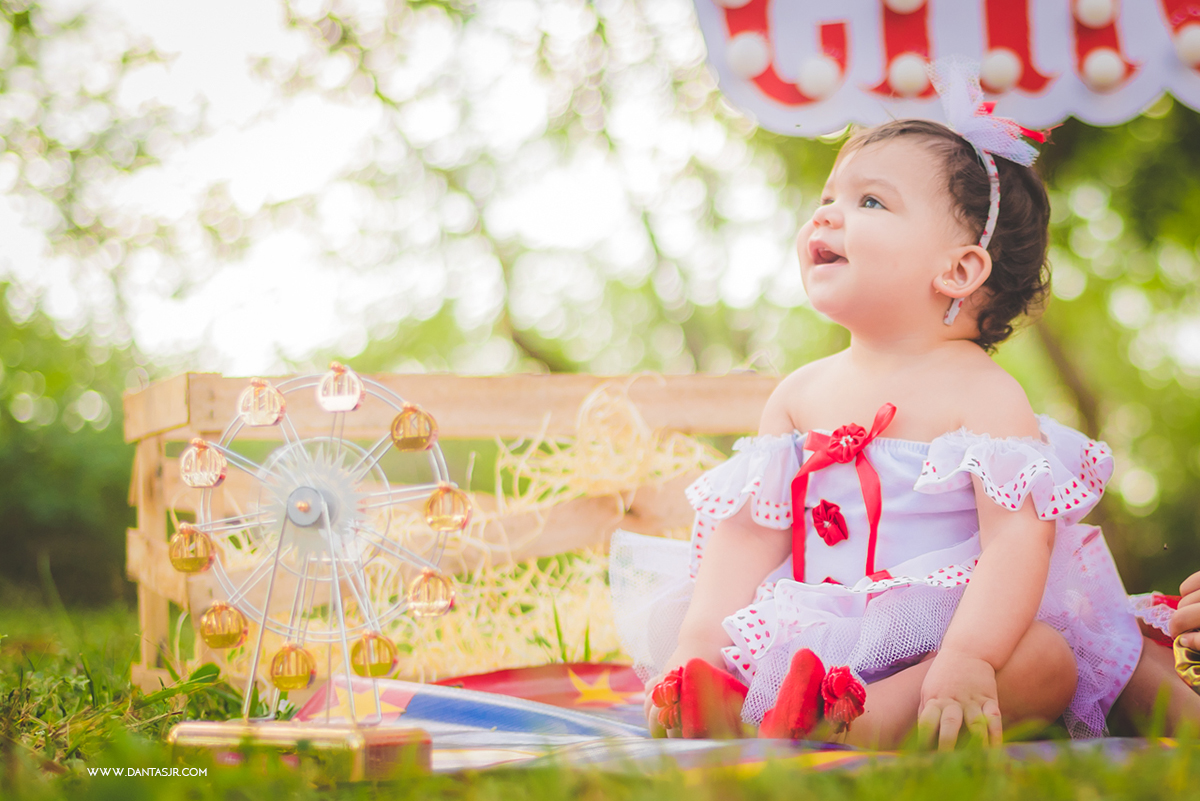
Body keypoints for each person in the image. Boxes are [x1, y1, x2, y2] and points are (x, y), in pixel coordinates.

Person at [609, 65, 1200, 750]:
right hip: (819, 633)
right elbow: (746, 538)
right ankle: (728, 700)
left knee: (1047, 661)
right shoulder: (800, 394)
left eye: (870, 203)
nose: (826, 213)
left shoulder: (982, 393)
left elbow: (1017, 542)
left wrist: (970, 656)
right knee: (734, 655)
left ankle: (858, 722)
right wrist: (698, 644)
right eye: (829, 196)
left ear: (958, 270)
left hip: (952, 632)